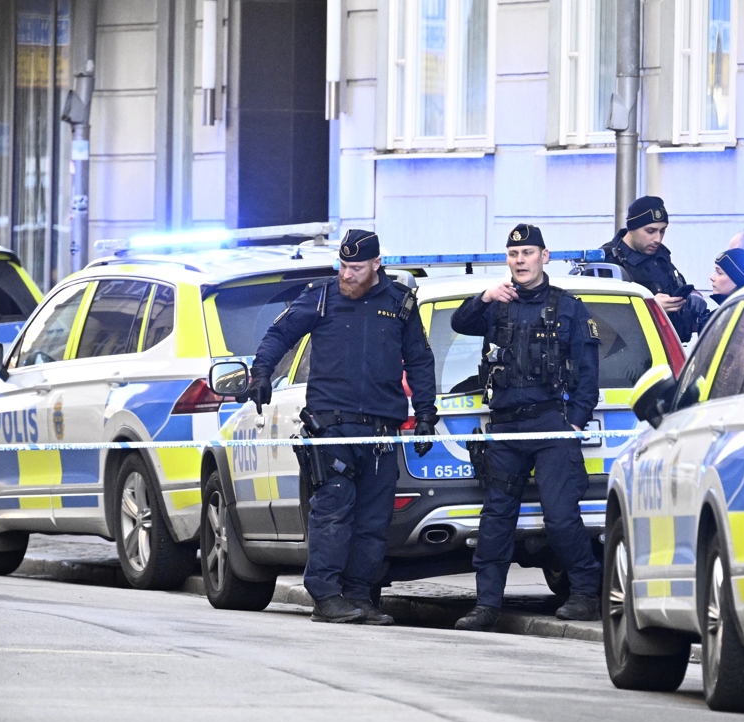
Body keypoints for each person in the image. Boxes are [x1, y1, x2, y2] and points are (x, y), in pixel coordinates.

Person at [250, 230, 439, 625]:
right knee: (333, 511)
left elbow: (419, 360)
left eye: (355, 268)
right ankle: (325, 595)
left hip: (381, 432)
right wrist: (261, 373)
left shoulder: (399, 303)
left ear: (376, 265)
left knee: (373, 519)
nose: (347, 275)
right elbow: (279, 334)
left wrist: (425, 414)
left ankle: (358, 596)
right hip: (332, 427)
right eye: (343, 265)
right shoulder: (322, 297)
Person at [448, 224, 603, 632]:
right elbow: (459, 322)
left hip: (550, 424)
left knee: (561, 516)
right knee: (496, 518)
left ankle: (586, 594)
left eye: (528, 253)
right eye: (514, 254)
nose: (520, 261)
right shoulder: (498, 304)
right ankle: (486, 606)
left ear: (544, 256)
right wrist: (484, 296)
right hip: (505, 426)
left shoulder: (568, 307)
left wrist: (575, 421)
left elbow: (588, 374)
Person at [601, 195, 709, 342]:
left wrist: (692, 298)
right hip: (629, 357)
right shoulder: (607, 261)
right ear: (631, 228)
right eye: (650, 231)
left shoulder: (660, 255)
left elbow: (677, 286)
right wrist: (649, 308)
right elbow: (599, 319)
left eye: (662, 231)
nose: (657, 239)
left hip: (667, 350)